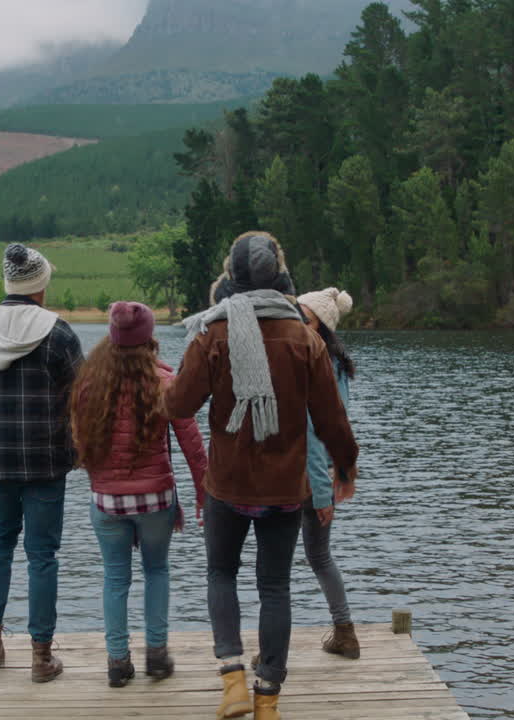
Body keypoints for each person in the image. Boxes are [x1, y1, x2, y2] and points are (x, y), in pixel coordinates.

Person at [166, 232, 359, 720]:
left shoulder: (213, 334)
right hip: (284, 488)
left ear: (232, 277)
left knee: (220, 574)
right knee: (274, 586)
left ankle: (232, 680)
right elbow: (333, 419)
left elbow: (179, 405)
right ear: (278, 276)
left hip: (228, 484)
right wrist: (345, 467)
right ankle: (267, 700)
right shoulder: (304, 337)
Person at [0, 243, 83, 684]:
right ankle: (41, 657)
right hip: (46, 462)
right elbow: (81, 401)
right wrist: (83, 452)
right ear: (40, 285)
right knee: (42, 554)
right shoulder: (59, 335)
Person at [71, 301, 209, 688]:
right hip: (156, 500)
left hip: (107, 502)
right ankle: (158, 655)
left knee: (115, 578)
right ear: (149, 338)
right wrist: (203, 494)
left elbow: (81, 444)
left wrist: (104, 487)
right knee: (157, 571)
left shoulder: (87, 386)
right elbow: (192, 445)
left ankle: (117, 663)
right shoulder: (165, 382)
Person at [294, 287, 360, 658]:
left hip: (304, 477)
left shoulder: (311, 363)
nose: (296, 319)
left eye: (303, 314)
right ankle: (345, 632)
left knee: (278, 567)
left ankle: (274, 649)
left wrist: (322, 493)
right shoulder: (336, 364)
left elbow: (314, 433)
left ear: (319, 323)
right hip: (322, 474)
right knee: (320, 556)